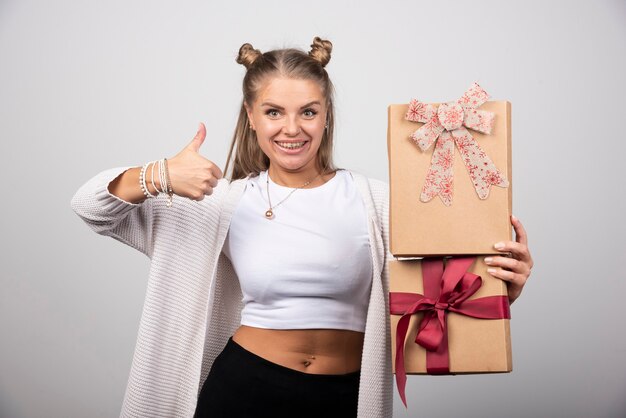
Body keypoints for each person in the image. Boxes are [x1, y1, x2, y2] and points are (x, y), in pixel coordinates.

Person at [70, 37, 533, 418]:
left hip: (344, 398)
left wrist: (501, 287)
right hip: (244, 391)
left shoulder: (377, 202)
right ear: (251, 117)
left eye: (308, 112)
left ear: (326, 115)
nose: (292, 128)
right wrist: (162, 175)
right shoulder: (221, 204)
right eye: (273, 112)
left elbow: (440, 287)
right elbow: (91, 207)